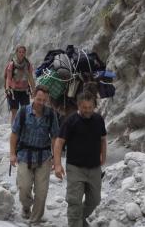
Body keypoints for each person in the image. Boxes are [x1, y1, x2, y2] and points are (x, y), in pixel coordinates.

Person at [53, 91, 107, 227]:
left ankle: (79, 219)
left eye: (90, 107)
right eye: (84, 108)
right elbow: (59, 143)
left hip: (94, 167)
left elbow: (103, 139)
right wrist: (58, 165)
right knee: (74, 201)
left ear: (94, 106)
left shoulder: (98, 120)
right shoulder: (70, 121)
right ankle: (75, 223)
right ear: (79, 106)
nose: (87, 110)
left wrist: (103, 156)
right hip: (75, 167)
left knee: (95, 200)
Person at [9, 85, 59, 223]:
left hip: (44, 157)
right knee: (23, 188)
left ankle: (34, 220)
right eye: (39, 99)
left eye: (44, 100)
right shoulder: (23, 112)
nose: (41, 103)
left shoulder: (50, 114)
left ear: (47, 100)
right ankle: (26, 206)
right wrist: (12, 154)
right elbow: (14, 134)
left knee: (41, 193)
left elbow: (55, 137)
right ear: (33, 96)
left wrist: (56, 159)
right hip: (25, 155)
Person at [5, 45, 36, 124]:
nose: (21, 54)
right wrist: (7, 88)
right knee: (14, 111)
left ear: (25, 53)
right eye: (20, 52)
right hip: (13, 91)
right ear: (16, 53)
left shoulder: (28, 65)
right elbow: (8, 78)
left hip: (24, 91)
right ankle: (13, 130)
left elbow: (30, 78)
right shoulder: (12, 64)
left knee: (25, 111)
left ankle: (23, 129)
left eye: (23, 52)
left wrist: (34, 90)